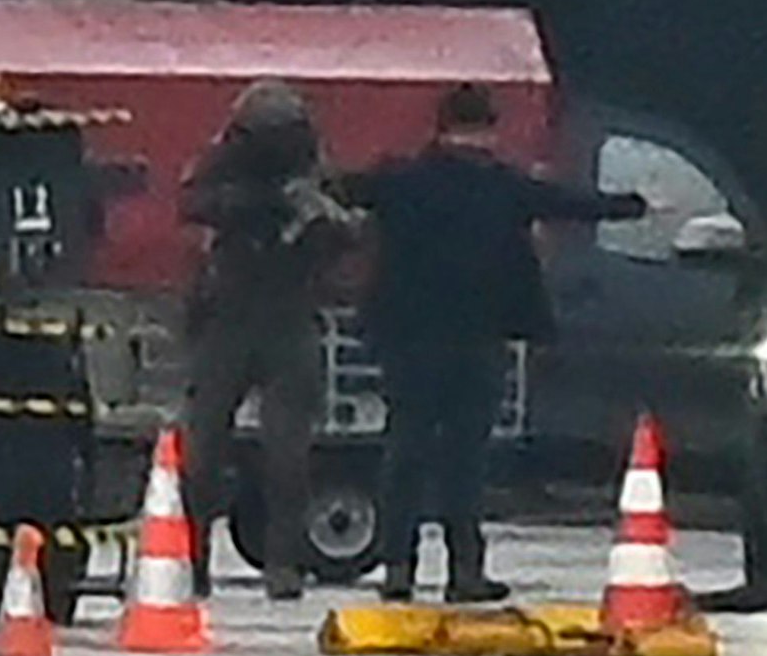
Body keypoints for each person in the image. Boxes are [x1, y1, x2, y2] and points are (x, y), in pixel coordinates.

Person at [341, 84, 648, 604]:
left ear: (439, 127)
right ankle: (465, 572)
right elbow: (571, 204)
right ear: (490, 129)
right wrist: (633, 205)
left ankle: (398, 566)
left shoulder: (401, 181)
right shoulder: (505, 187)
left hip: (409, 340)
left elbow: (343, 188)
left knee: (406, 449)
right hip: (478, 339)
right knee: (465, 459)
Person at [179, 80, 359, 601]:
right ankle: (192, 559)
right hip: (230, 316)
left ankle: (283, 563)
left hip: (285, 314)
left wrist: (318, 221)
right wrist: (263, 205)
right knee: (203, 452)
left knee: (288, 456)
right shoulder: (223, 165)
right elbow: (193, 203)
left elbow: (347, 233)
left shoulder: (314, 170)